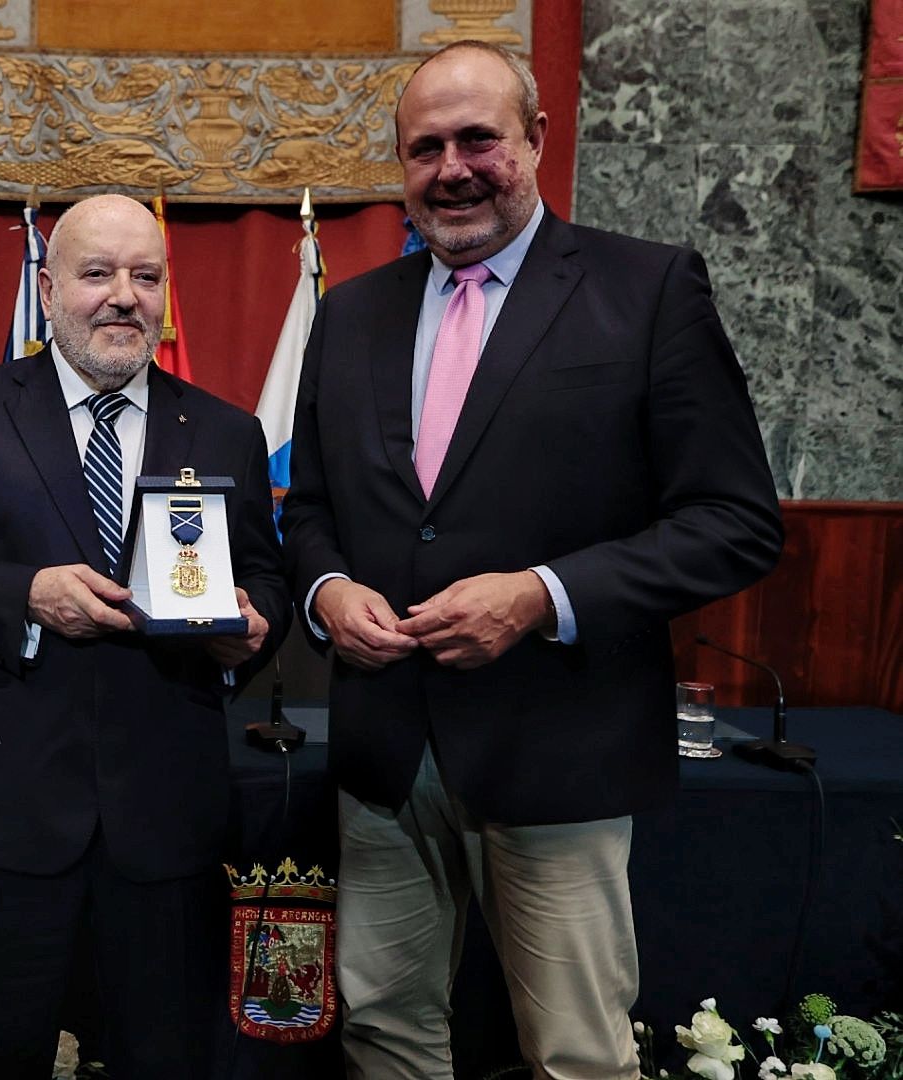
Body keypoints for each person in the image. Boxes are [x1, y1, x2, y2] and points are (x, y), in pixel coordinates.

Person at [279, 41, 783, 1078]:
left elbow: (735, 521)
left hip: (561, 746)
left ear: (538, 141)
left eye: (479, 139)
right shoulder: (351, 313)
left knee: (573, 1053)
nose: (453, 168)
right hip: (384, 755)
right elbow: (315, 510)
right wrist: (327, 593)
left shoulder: (646, 291)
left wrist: (542, 595)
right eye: (426, 148)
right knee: (382, 1027)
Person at [0, 193, 291, 1079]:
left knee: (165, 1058)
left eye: (145, 276)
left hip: (167, 815)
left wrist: (251, 627)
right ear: (50, 285)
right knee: (2, 1059)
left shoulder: (227, 429)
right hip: (4, 812)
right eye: (97, 273)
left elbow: (265, 578)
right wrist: (27, 594)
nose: (122, 296)